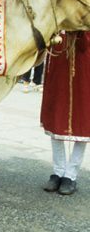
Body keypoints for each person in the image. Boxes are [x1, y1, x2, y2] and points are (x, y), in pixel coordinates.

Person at [41, 31, 90, 195]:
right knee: (56, 119)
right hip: (59, 65)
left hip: (84, 67)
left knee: (83, 121)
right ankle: (58, 172)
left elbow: (84, 45)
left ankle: (70, 175)